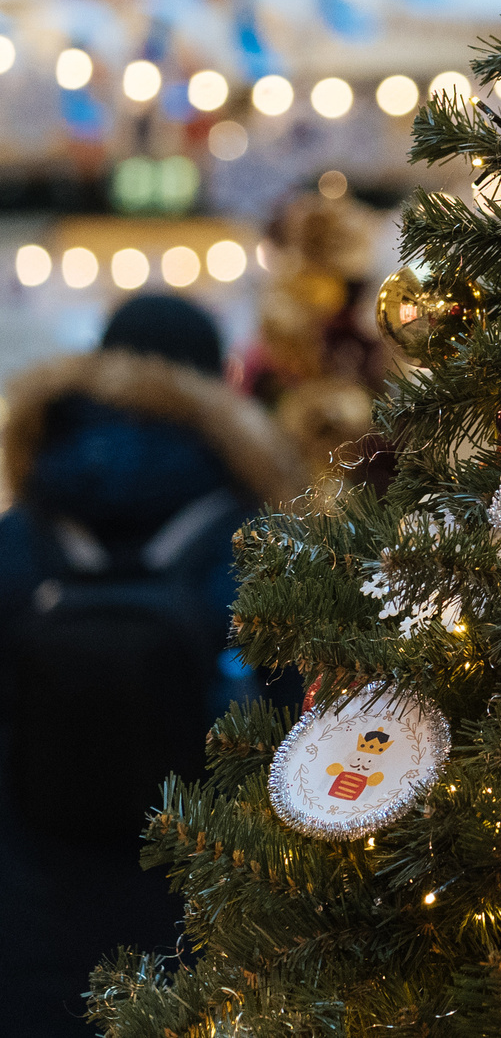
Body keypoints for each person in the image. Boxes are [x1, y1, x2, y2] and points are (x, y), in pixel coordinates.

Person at [0, 294, 299, 1038]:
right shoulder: (252, 533)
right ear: (217, 385)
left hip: (30, 904)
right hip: (204, 915)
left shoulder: (24, 527)